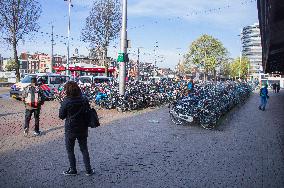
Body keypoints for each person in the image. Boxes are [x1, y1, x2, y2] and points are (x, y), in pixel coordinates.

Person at [59, 81, 94, 176]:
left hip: (70, 128)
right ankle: (88, 170)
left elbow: (61, 116)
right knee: (84, 149)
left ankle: (73, 169)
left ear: (67, 90)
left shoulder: (66, 101)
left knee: (70, 150)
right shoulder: (84, 99)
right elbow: (87, 112)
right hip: (82, 127)